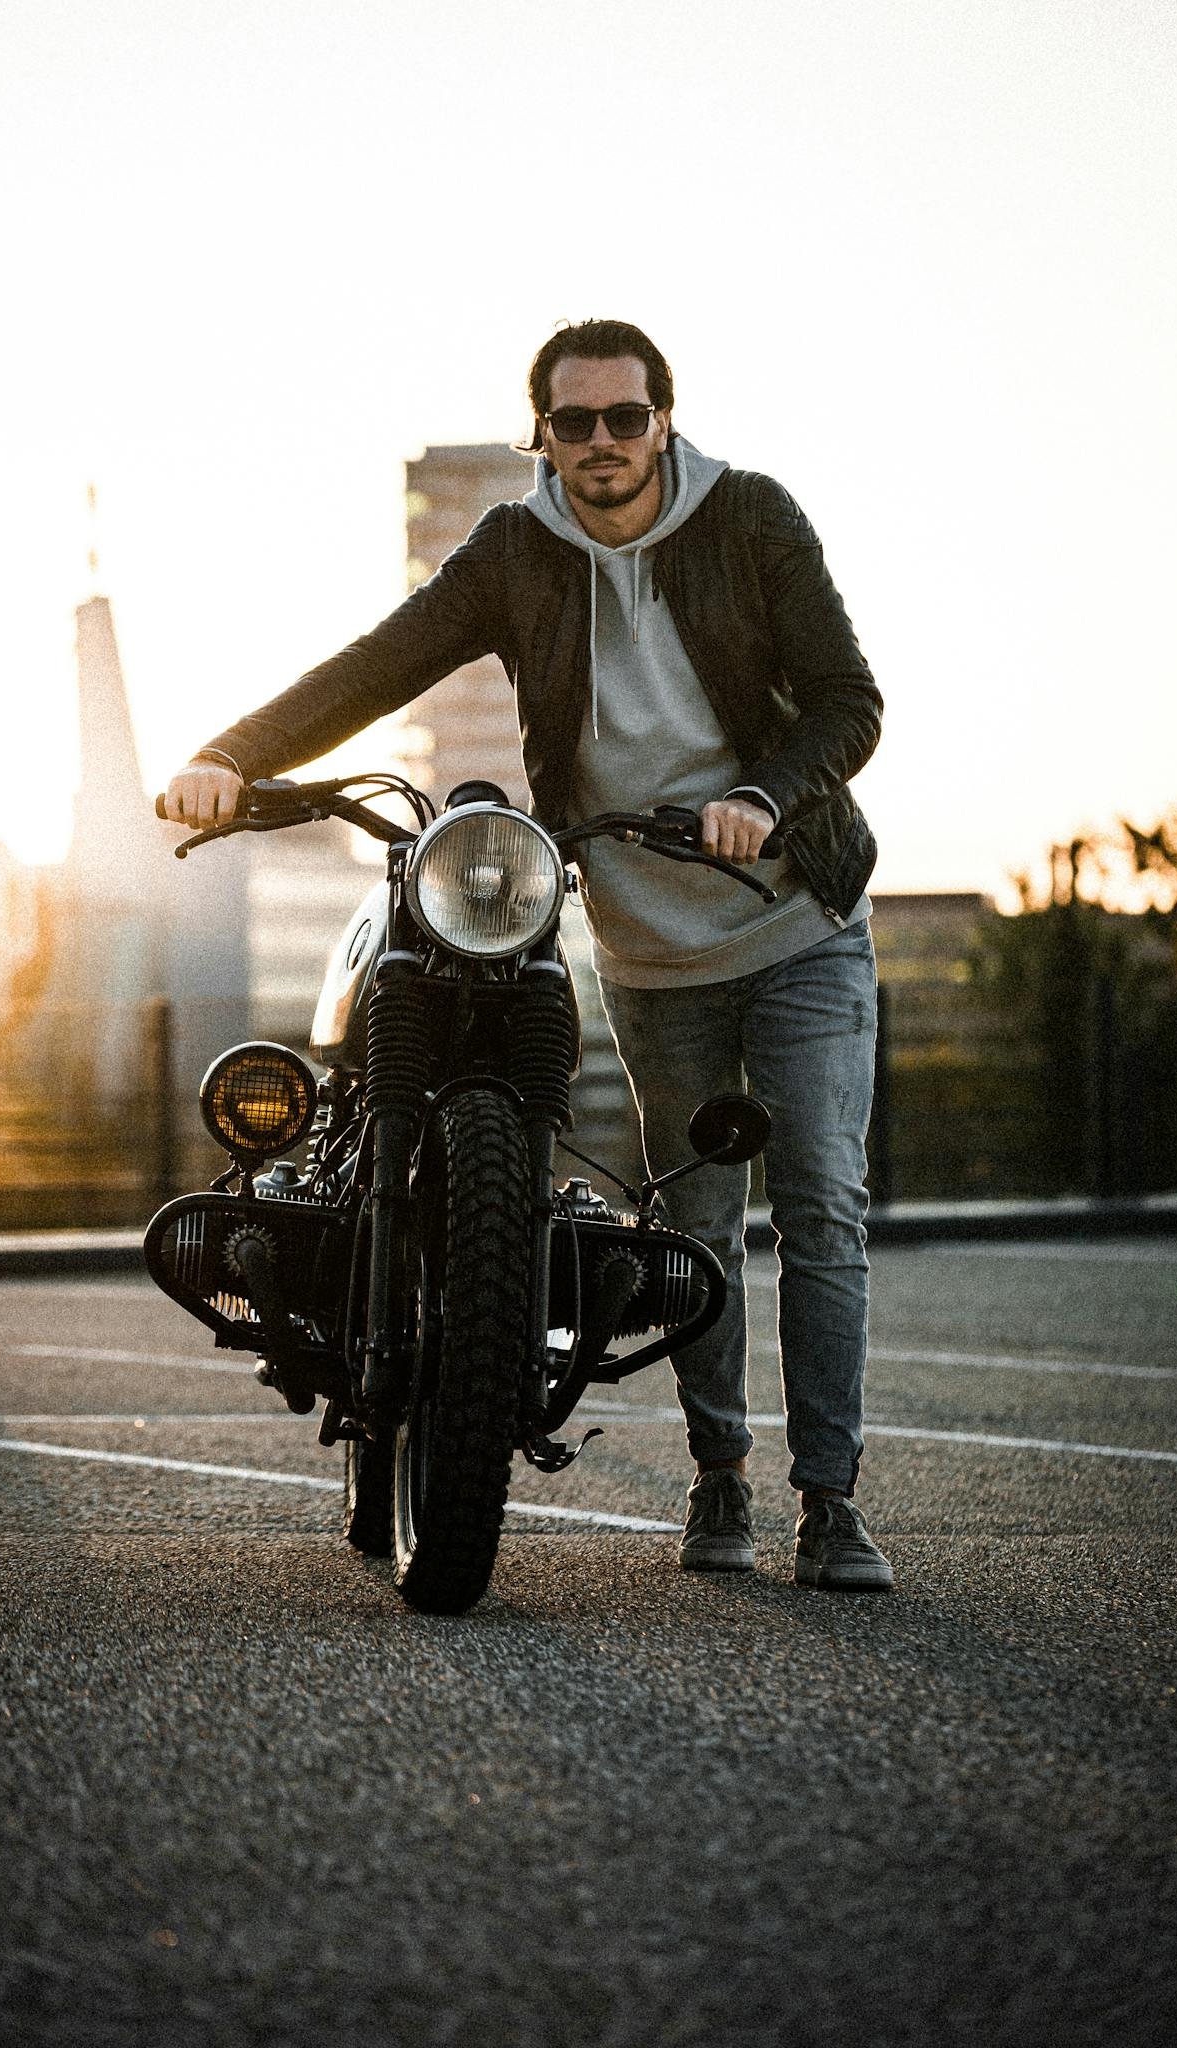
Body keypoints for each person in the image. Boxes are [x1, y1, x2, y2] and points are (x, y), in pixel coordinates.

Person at [166, 317, 892, 1591]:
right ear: (541, 434)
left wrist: (767, 798)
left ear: (665, 419)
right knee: (700, 1222)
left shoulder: (755, 519)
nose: (602, 443)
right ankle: (719, 1479)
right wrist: (232, 753)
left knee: (823, 1204)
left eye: (626, 418)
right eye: (575, 422)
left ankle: (829, 1502)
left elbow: (849, 699)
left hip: (795, 919)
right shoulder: (517, 550)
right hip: (651, 939)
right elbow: (382, 662)